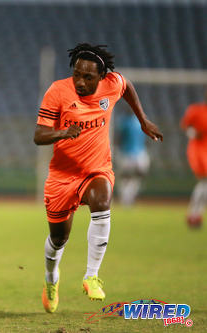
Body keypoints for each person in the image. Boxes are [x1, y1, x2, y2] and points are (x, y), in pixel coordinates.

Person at [33, 43, 162, 313]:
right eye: (77, 74)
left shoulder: (112, 84)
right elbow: (39, 135)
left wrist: (143, 119)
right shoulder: (57, 91)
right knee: (58, 239)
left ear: (102, 77)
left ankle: (91, 275)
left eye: (88, 77)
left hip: (96, 168)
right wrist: (63, 133)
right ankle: (51, 278)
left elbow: (126, 86)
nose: (80, 81)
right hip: (62, 175)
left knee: (102, 200)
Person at [181, 88, 207, 229]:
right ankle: (194, 214)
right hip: (198, 149)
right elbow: (186, 126)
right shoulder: (195, 110)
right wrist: (193, 133)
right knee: (204, 181)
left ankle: (195, 214)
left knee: (204, 184)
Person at [115, 111, 150, 207]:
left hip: (128, 154)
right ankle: (128, 198)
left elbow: (119, 137)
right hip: (137, 154)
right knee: (134, 177)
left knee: (126, 178)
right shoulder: (140, 121)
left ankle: (126, 199)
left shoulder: (124, 121)